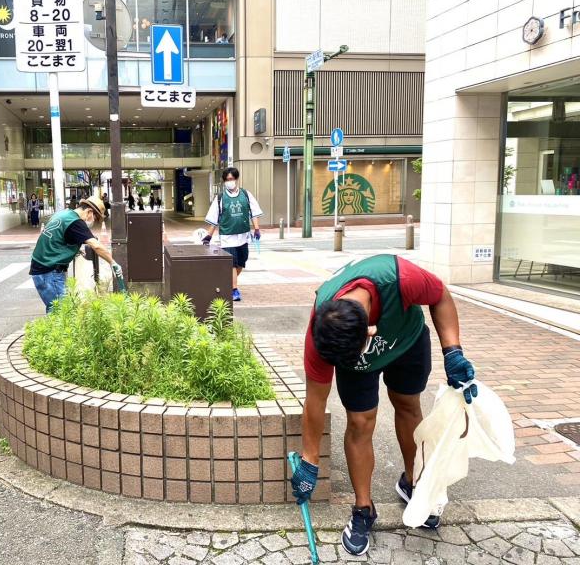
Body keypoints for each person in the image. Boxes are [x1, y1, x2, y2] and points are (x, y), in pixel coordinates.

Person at [289, 254, 478, 556]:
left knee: (407, 405)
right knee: (361, 422)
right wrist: (309, 460)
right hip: (355, 357)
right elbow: (315, 398)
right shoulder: (322, 329)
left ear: (370, 331)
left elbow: (440, 295)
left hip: (406, 341)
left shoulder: (400, 278)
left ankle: (413, 483)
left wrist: (452, 351)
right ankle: (363, 509)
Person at [29, 197, 121, 313]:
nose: (94, 222)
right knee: (61, 312)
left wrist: (75, 250)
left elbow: (59, 237)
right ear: (89, 212)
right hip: (50, 271)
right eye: (95, 218)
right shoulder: (76, 222)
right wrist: (113, 263)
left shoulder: (64, 214)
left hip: (41, 267)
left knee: (55, 310)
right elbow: (96, 245)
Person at [202, 167, 262, 302]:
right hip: (227, 237)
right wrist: (208, 236)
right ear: (224, 182)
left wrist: (257, 229)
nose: (230, 181)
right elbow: (214, 219)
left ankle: (229, 283)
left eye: (232, 179)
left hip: (243, 236)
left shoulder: (246, 194)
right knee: (232, 264)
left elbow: (254, 212)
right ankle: (234, 289)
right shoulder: (220, 198)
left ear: (236, 179)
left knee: (242, 262)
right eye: (228, 179)